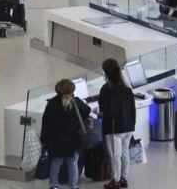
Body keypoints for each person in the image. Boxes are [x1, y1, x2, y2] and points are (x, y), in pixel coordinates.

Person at [39, 78, 92, 189]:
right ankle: (73, 186)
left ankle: (54, 185)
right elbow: (87, 110)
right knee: (73, 163)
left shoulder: (51, 104)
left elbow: (46, 123)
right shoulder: (76, 102)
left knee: (56, 162)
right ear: (72, 90)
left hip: (56, 141)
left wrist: (43, 139)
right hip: (73, 140)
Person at [98, 59, 137, 189]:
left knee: (115, 155)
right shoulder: (126, 88)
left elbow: (103, 109)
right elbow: (132, 108)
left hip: (114, 128)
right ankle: (124, 178)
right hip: (129, 126)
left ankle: (114, 181)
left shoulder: (105, 89)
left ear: (106, 73)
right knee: (125, 153)